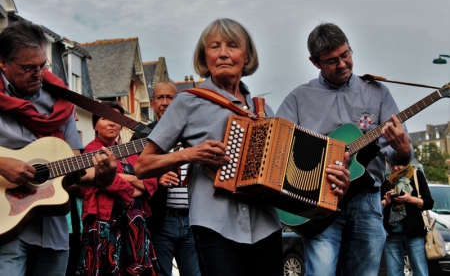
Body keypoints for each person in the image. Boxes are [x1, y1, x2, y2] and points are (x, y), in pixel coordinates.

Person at [134, 18, 350, 276]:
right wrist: (190, 154)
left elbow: (287, 180)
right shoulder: (187, 103)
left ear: (246, 56)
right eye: (215, 47)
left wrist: (331, 185)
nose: (223, 53)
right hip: (214, 226)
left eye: (232, 46)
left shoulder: (265, 112)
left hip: (266, 226)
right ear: (206, 56)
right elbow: (142, 165)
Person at [276, 22, 414, 276]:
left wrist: (404, 150)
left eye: (345, 55)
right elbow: (277, 151)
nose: (342, 64)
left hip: (367, 199)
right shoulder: (298, 98)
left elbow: (400, 157)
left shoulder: (377, 92)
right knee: (321, 272)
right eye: (331, 61)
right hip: (319, 202)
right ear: (315, 62)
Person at [0, 20, 114, 276]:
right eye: (28, 67)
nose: (38, 74)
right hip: (4, 230)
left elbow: (76, 170)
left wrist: (104, 176)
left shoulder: (62, 103)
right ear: (3, 62)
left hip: (53, 233)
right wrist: (2, 164)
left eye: (42, 66)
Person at [76, 101, 159, 276]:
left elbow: (151, 181)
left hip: (134, 223)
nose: (112, 123)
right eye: (106, 118)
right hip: (105, 222)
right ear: (94, 125)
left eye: (116, 119)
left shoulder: (129, 151)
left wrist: (123, 178)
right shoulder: (90, 152)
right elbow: (102, 181)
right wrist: (133, 184)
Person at [138, 82, 200, 276]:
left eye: (170, 98)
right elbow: (133, 173)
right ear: (152, 103)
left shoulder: (194, 132)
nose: (165, 103)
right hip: (160, 220)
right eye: (160, 98)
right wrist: (156, 178)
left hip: (193, 218)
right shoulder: (140, 135)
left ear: (178, 101)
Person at [381, 162, 433, 276]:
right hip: (391, 233)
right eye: (391, 165)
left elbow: (429, 202)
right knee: (393, 273)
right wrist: (386, 201)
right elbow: (378, 205)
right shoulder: (385, 178)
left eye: (399, 164)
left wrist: (410, 199)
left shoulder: (416, 174)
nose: (395, 168)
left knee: (420, 271)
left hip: (414, 232)